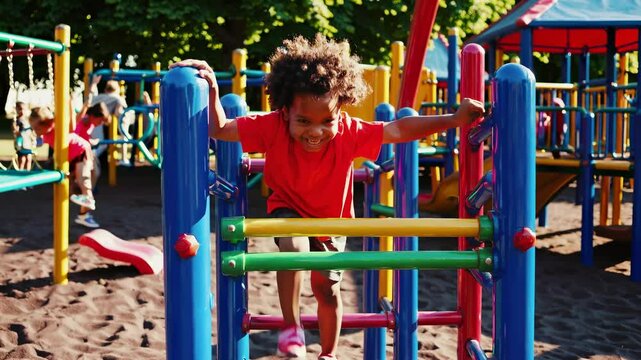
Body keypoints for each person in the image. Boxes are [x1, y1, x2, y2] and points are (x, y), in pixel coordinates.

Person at [171, 34, 484, 360]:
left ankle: (328, 353)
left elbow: (399, 130)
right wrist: (210, 88)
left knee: (326, 289)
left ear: (341, 109)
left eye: (327, 121)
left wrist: (453, 119)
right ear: (284, 110)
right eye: (303, 121)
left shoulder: (349, 131)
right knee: (293, 246)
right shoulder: (271, 127)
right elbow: (220, 129)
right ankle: (292, 328)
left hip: (332, 221)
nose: (315, 131)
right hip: (288, 208)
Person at [29, 106, 101, 228]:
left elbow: (70, 118)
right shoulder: (44, 134)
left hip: (80, 150)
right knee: (71, 185)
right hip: (70, 158)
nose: (35, 130)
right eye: (33, 128)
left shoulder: (58, 127)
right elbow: (36, 143)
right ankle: (84, 214)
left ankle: (88, 199)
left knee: (84, 178)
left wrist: (68, 102)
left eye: (37, 127)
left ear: (48, 123)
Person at [89, 75, 130, 165]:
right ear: (117, 90)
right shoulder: (118, 98)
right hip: (98, 121)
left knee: (92, 142)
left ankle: (87, 158)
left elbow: (91, 94)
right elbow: (118, 113)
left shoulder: (100, 96)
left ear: (105, 90)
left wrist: (94, 83)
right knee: (102, 144)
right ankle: (88, 158)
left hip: (89, 121)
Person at [74, 86, 111, 187]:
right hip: (77, 151)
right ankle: (84, 191)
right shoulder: (85, 120)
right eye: (100, 121)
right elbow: (87, 103)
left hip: (85, 150)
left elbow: (85, 136)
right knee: (84, 172)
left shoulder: (91, 123)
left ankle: (87, 192)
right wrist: (93, 84)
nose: (100, 124)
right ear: (93, 116)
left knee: (94, 172)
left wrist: (91, 141)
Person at [12, 101, 36, 171]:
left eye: (23, 109)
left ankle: (28, 173)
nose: (22, 111)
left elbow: (33, 129)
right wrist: (15, 126)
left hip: (28, 142)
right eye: (19, 109)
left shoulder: (28, 119)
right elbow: (15, 131)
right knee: (22, 160)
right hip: (21, 142)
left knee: (29, 159)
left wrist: (33, 139)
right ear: (16, 109)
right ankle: (20, 172)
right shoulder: (17, 120)